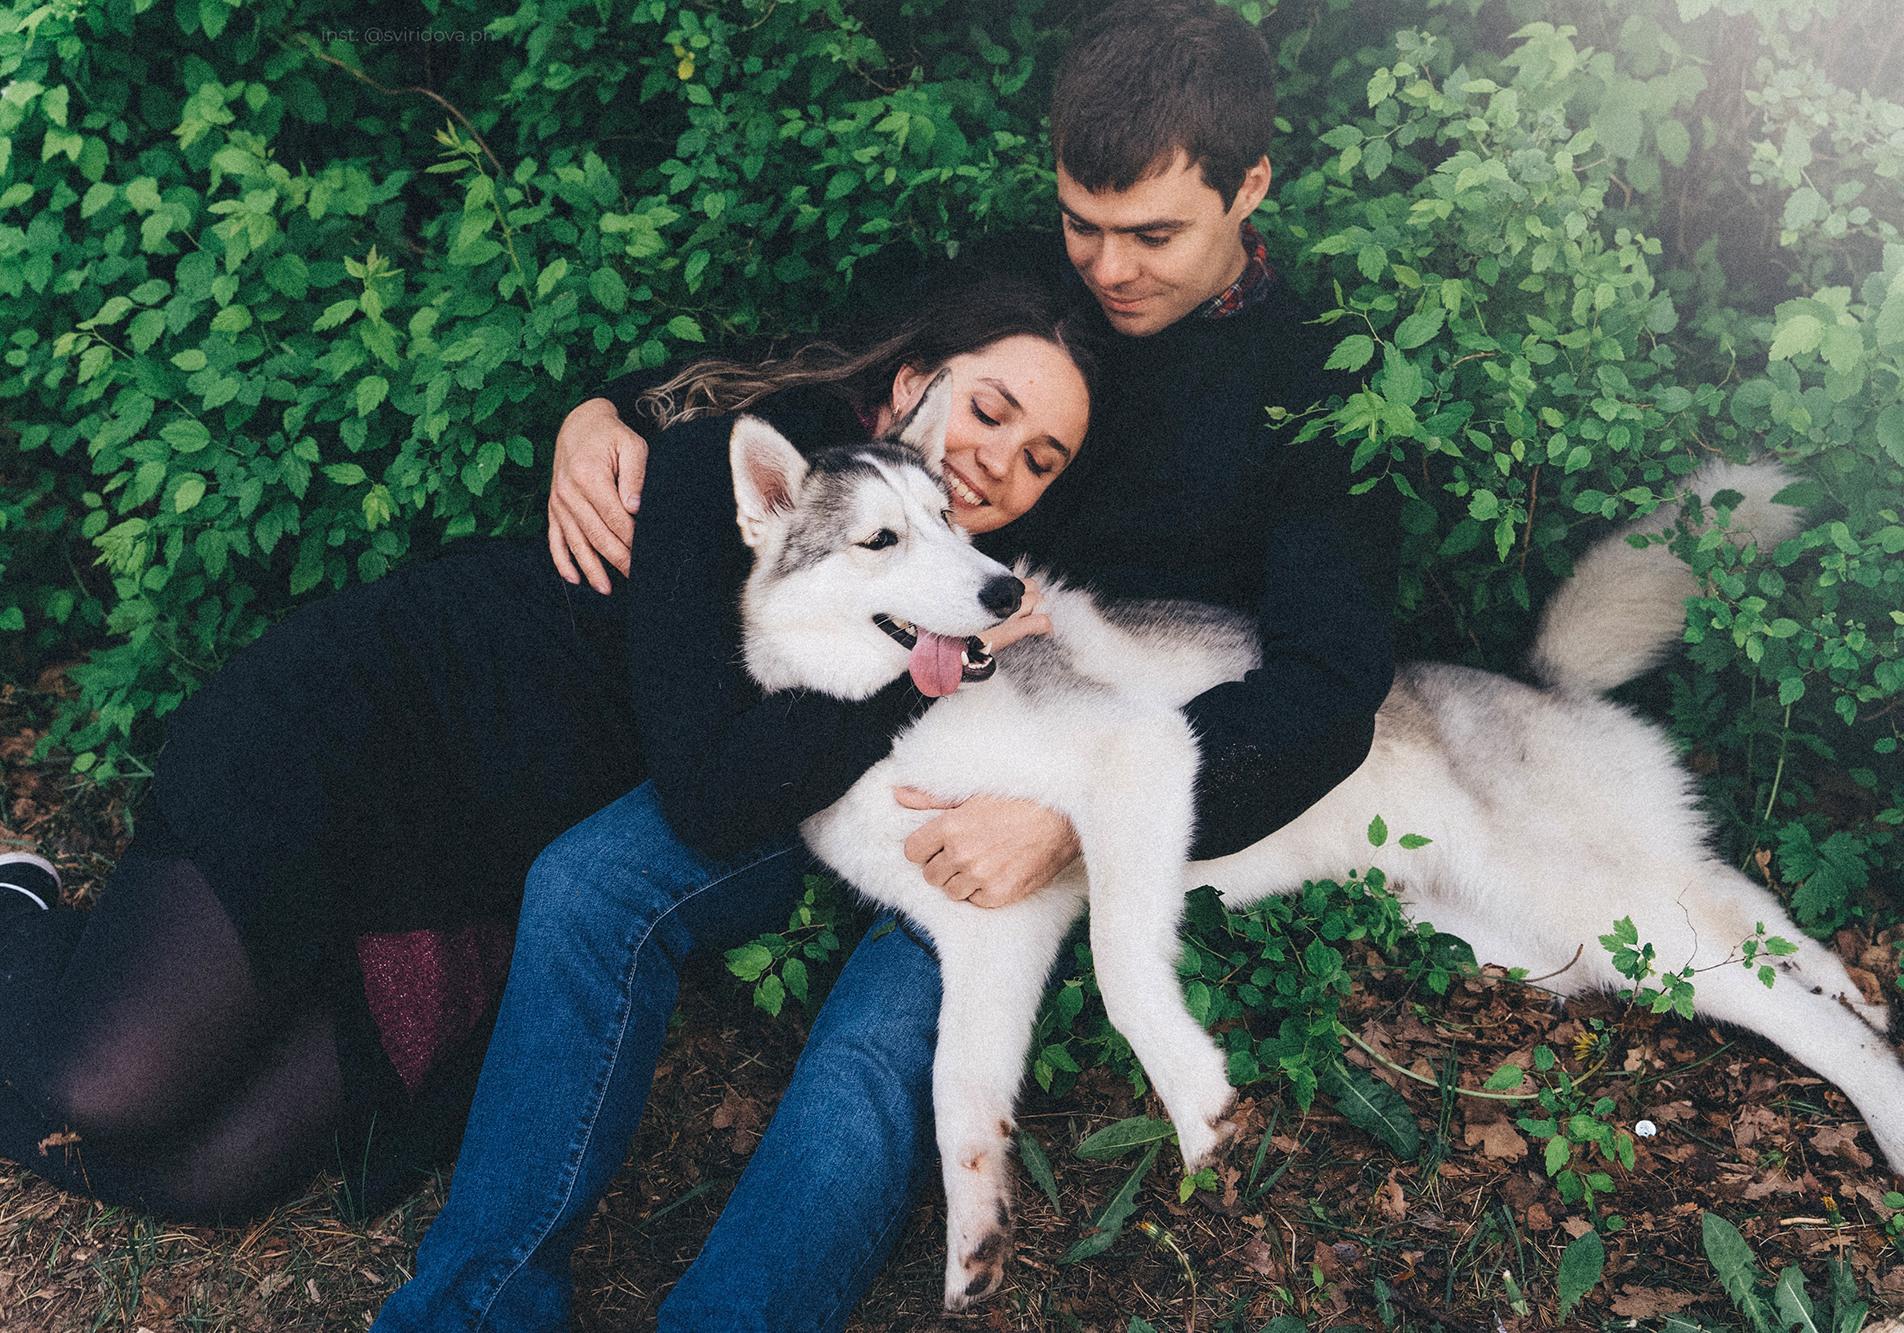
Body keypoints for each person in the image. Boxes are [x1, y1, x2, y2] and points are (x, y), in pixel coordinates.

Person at [374, 1, 1397, 1329]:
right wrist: (611, 411)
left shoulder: (1315, 386)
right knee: (587, 884)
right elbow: (793, 381)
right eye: (1082, 224)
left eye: (1151, 235)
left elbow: (1325, 694)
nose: (1110, 269)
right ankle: (469, 1305)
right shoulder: (1018, 284)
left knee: (873, 1046)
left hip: (1035, 760)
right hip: (834, 711)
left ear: (1247, 188)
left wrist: (1067, 824)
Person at [0, 272, 1095, 1227]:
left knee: (213, 1172)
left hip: (458, 856)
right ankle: (18, 905)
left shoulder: (949, 586)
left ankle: (180, 961)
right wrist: (935, 666)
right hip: (363, 731)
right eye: (986, 411)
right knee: (103, 1087)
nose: (994, 462)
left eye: (1038, 459)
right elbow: (712, 800)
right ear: (913, 386)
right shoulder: (748, 465)